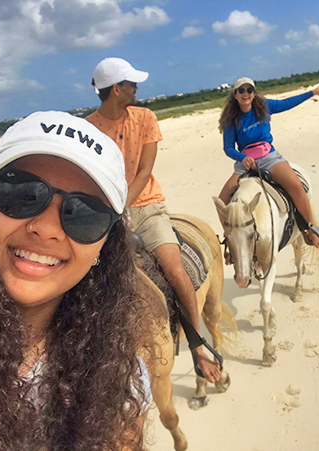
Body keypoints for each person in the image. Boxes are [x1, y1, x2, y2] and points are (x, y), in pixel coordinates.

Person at [0, 111, 159, 451]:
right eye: (22, 194)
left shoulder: (119, 382)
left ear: (105, 246)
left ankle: (199, 341)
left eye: (85, 215)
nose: (47, 229)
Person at [85, 58, 221, 384]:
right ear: (116, 89)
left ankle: (198, 342)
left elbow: (144, 172)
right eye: (132, 84)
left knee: (174, 268)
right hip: (107, 214)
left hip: (147, 207)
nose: (136, 89)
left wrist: (123, 208)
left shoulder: (145, 117)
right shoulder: (87, 128)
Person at [217, 77, 319, 249]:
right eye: (241, 91)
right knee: (223, 201)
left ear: (254, 93)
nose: (246, 94)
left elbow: (287, 103)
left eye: (249, 90)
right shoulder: (232, 119)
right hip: (245, 162)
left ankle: (312, 229)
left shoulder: (264, 106)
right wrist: (241, 158)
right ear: (235, 95)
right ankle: (231, 242)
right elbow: (228, 148)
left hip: (268, 156)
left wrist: (312, 92)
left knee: (296, 185)